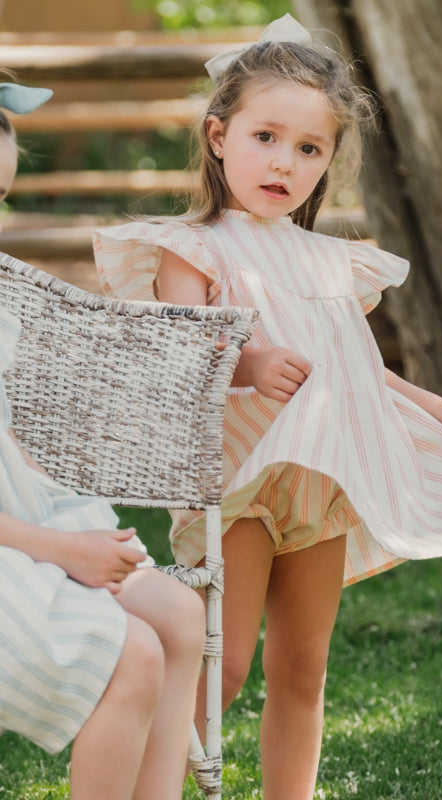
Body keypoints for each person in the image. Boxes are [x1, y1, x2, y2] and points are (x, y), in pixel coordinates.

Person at [93, 15, 442, 799]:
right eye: (266, 137)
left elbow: (355, 367)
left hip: (322, 479)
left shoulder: (330, 258)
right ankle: (138, 783)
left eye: (308, 148)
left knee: (303, 666)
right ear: (218, 135)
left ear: (329, 162)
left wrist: (440, 407)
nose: (284, 162)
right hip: (238, 477)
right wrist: (247, 360)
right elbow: (175, 351)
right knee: (220, 660)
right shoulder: (191, 248)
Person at [0, 82, 205, 800]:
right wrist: (64, 551)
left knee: (178, 615)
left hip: (23, 531)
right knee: (130, 654)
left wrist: (85, 526)